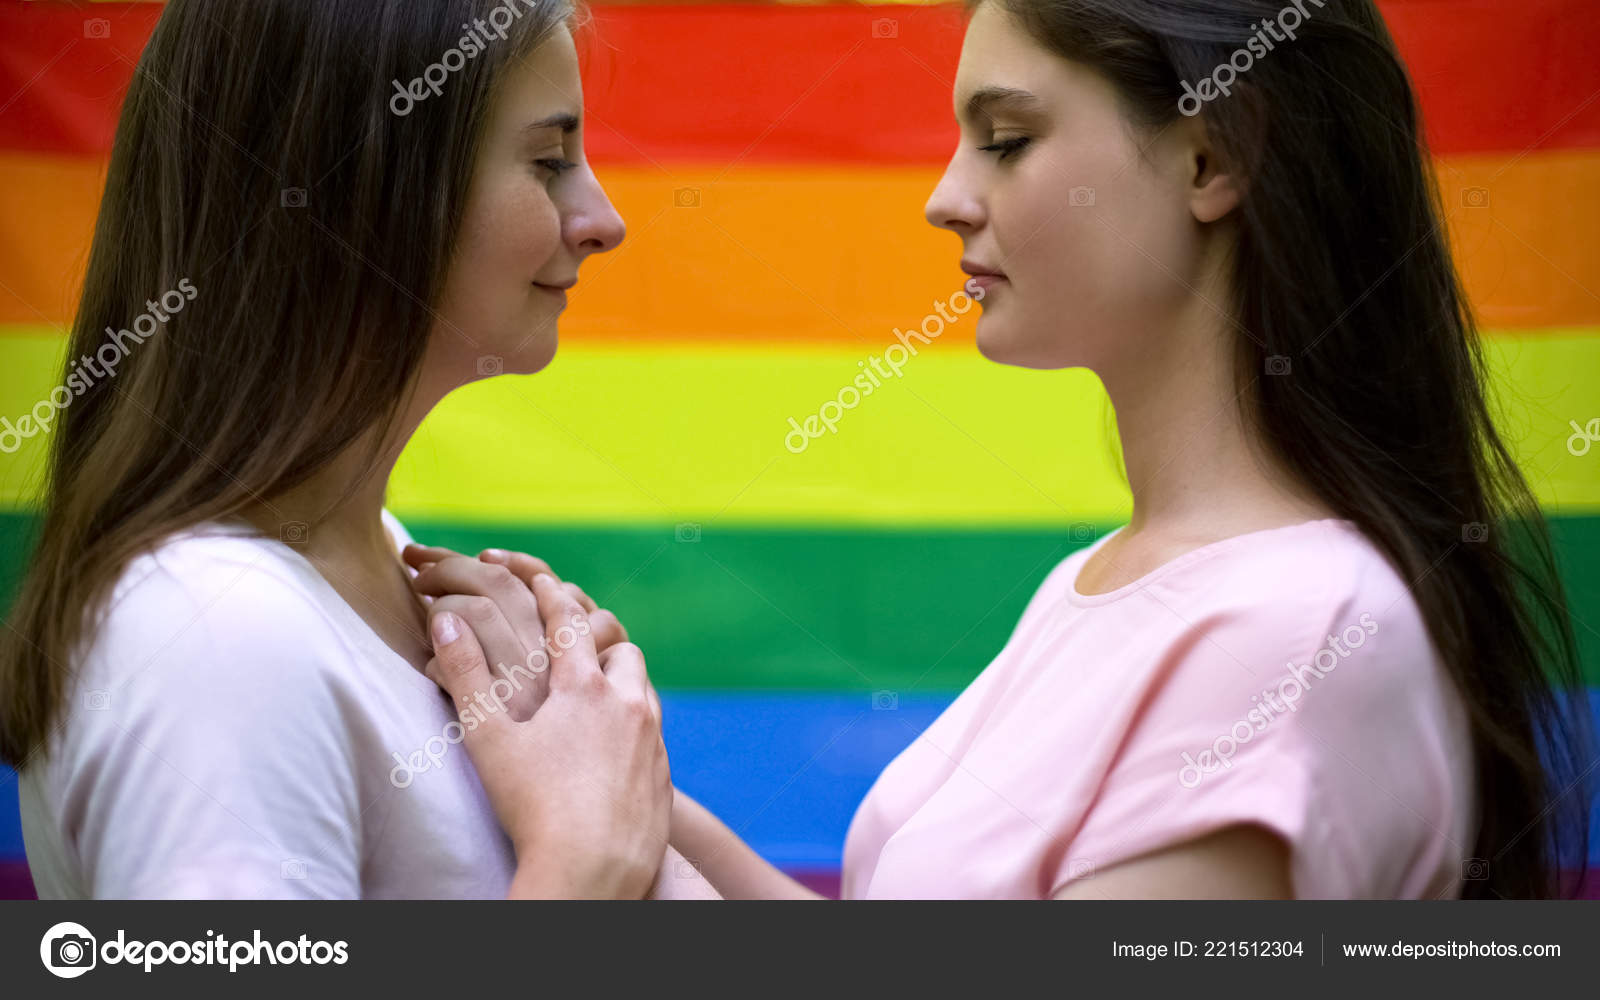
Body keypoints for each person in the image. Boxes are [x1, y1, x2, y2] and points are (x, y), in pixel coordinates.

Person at [423, 0, 1593, 899]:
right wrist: (611, 765)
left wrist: (580, 865)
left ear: (1212, 159)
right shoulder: (1113, 580)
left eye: (1008, 137)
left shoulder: (1297, 627)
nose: (944, 196)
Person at [0, 0, 681, 899]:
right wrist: (587, 863)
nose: (601, 219)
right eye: (548, 162)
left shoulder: (373, 559)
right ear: (349, 197)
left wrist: (591, 751)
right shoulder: (211, 634)